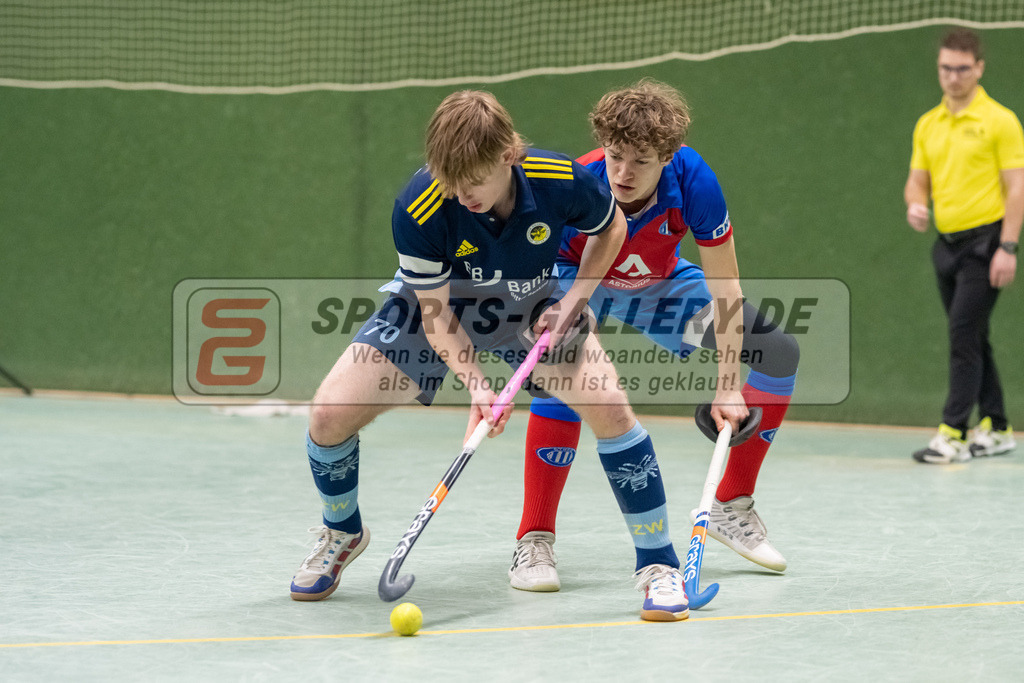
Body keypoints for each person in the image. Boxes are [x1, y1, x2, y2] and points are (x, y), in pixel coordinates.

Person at [289, 90, 690, 621]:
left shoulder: (557, 178)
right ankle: (342, 531)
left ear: (508, 155)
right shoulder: (422, 205)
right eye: (451, 182)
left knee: (612, 410)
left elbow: (611, 225)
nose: (462, 195)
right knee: (328, 415)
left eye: (473, 181)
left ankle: (659, 566)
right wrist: (477, 384)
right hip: (441, 309)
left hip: (532, 306)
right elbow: (436, 317)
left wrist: (575, 299)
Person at [507, 79, 800, 592]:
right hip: (579, 278)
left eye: (640, 161)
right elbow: (535, 264)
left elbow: (725, 287)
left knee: (777, 352)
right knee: (564, 371)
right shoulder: (581, 180)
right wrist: (559, 309)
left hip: (659, 289)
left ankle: (731, 507)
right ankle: (534, 539)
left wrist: (727, 384)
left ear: (668, 155)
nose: (623, 172)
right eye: (615, 155)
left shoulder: (695, 182)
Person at [905, 28, 1023, 464]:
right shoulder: (928, 124)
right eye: (945, 68)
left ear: (979, 68)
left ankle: (953, 432)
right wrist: (916, 205)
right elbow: (918, 182)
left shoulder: (1001, 121)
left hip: (986, 243)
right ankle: (997, 425)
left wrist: (1007, 248)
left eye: (961, 69)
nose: (952, 77)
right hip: (947, 246)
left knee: (962, 335)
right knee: (973, 335)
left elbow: (1017, 188)